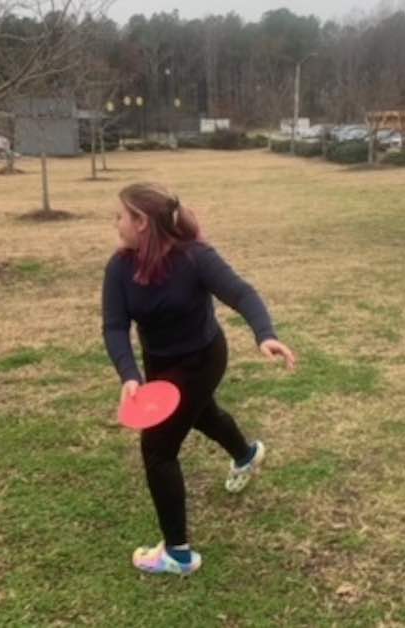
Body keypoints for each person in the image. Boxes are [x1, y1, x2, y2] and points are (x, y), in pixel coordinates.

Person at [102, 182, 296, 576]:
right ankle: (245, 455)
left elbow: (242, 294)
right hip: (159, 363)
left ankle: (178, 554)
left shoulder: (194, 258)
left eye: (121, 214)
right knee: (202, 413)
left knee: (158, 450)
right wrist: (129, 374)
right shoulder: (120, 267)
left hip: (202, 359)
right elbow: (115, 326)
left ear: (141, 222)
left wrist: (266, 334)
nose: (115, 221)